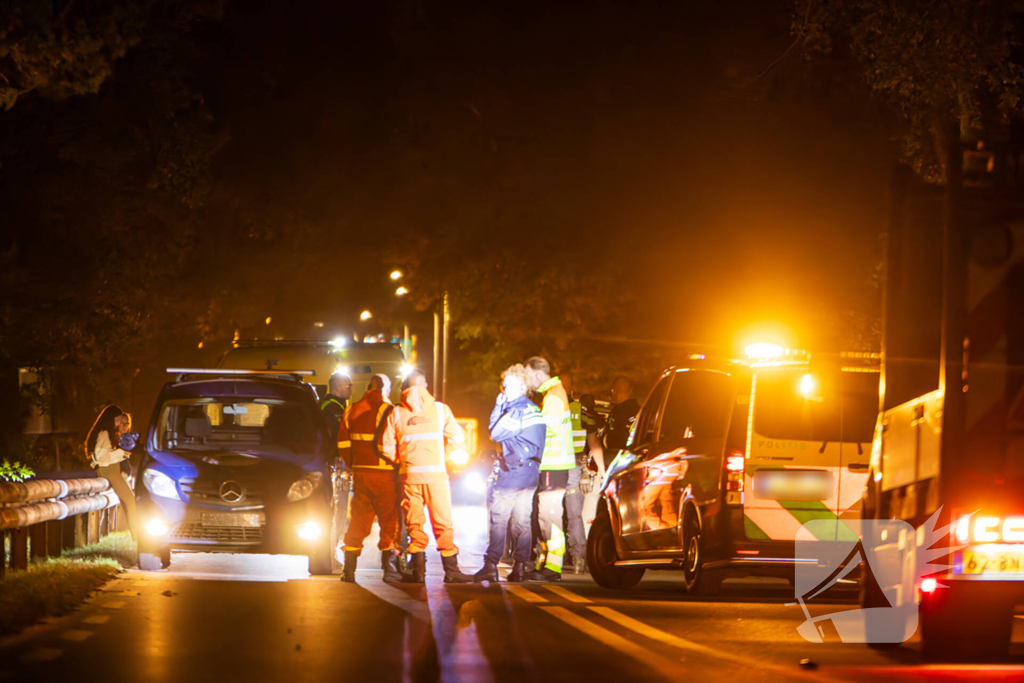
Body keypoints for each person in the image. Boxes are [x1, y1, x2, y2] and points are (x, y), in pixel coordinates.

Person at [380, 370, 473, 583]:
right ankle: (451, 571)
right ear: (426, 386)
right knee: (442, 522)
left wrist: (403, 460)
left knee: (414, 524)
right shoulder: (441, 410)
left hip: (409, 476)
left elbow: (385, 446)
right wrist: (443, 457)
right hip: (436, 476)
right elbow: (458, 439)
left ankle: (418, 572)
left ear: (404, 389)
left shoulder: (396, 413)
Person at [474, 364, 546, 583]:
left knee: (499, 517)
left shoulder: (517, 411)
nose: (504, 389)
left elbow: (494, 432)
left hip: (514, 472)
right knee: (523, 521)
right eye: (504, 385)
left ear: (521, 386)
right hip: (532, 472)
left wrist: (498, 406)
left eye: (508, 385)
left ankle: (490, 565)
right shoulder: (534, 409)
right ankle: (520, 567)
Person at [337, 374, 404, 583]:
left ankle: (348, 570)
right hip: (385, 475)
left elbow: (343, 445)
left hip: (361, 475)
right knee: (389, 520)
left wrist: (354, 465)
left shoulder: (351, 409)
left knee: (358, 520)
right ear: (386, 390)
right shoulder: (389, 410)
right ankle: (390, 569)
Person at [523, 357, 576, 581]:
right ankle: (545, 562)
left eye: (527, 376)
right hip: (553, 465)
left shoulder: (553, 396)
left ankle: (552, 568)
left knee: (550, 517)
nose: (527, 381)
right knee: (545, 517)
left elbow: (548, 430)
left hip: (554, 465)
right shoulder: (552, 393)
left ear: (537, 374)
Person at [86, 405, 138, 545]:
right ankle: (139, 536)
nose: (117, 424)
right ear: (109, 420)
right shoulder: (104, 433)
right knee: (131, 501)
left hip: (111, 469)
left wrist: (123, 454)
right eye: (116, 420)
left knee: (128, 501)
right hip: (109, 469)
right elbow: (102, 457)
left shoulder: (108, 433)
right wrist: (122, 452)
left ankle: (136, 535)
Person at [560, 372, 588, 574]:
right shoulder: (580, 410)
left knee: (549, 515)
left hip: (553, 468)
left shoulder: (546, 410)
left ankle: (548, 558)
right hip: (575, 466)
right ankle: (578, 560)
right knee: (574, 516)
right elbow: (591, 441)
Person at [604, 375, 640, 454]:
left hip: (617, 455)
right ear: (630, 391)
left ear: (613, 391)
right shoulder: (638, 410)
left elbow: (614, 437)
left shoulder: (617, 412)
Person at [321, 372, 354, 445]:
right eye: (348, 387)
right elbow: (336, 436)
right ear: (337, 387)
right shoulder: (331, 408)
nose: (351, 390)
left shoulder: (337, 405)